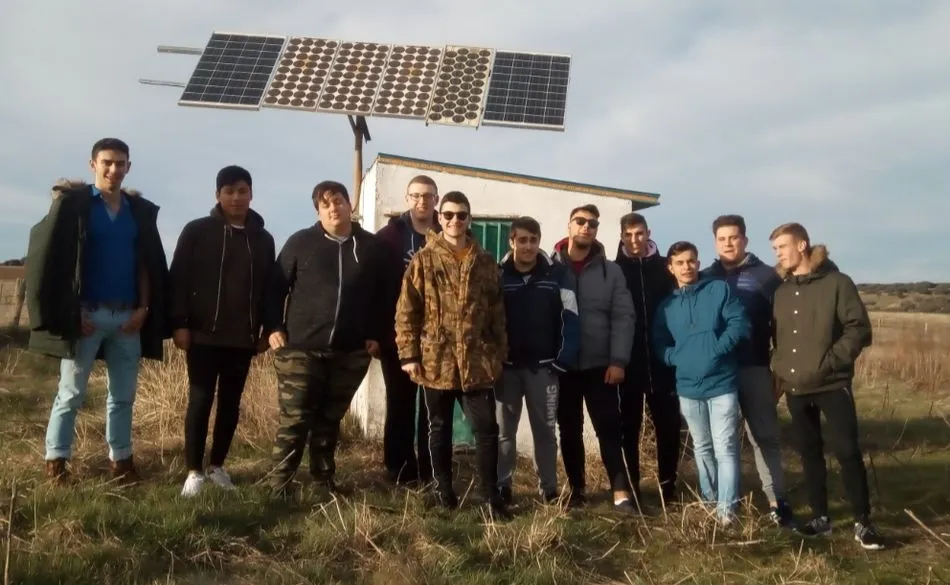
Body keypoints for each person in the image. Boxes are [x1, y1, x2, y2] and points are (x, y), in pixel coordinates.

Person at [26, 137, 170, 485]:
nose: (113, 169)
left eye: (120, 163)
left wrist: (144, 308)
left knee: (122, 397)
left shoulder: (137, 211)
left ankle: (121, 463)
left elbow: (146, 264)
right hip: (86, 318)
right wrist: (71, 311)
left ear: (128, 167)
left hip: (127, 319)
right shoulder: (76, 206)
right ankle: (56, 464)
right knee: (71, 394)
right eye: (107, 162)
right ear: (93, 165)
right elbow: (58, 262)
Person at [263, 181, 386, 496]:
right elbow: (275, 287)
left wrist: (375, 334)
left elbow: (384, 296)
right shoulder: (301, 243)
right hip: (300, 349)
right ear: (318, 210)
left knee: (330, 420)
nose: (334, 209)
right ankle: (279, 485)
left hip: (350, 351)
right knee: (295, 419)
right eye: (325, 204)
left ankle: (323, 482)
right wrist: (274, 327)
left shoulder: (371, 248)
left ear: (350, 204)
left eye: (339, 201)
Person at [394, 191, 511, 519]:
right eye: (448, 215)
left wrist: (499, 353)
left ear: (469, 219)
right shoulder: (424, 260)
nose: (454, 220)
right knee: (439, 427)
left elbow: (497, 313)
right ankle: (443, 491)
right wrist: (408, 355)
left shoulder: (485, 262)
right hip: (437, 361)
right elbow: (407, 311)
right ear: (439, 218)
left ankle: (489, 497)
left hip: (477, 362)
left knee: (486, 429)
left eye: (461, 215)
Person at [769, 222, 884, 550]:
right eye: (775, 249)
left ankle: (863, 522)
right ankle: (821, 518)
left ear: (801, 245)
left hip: (832, 384)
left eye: (782, 247)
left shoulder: (837, 283)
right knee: (809, 454)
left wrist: (832, 361)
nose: (778, 254)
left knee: (847, 452)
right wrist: (780, 369)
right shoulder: (781, 291)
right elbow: (777, 337)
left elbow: (858, 328)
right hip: (796, 387)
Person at [169, 165, 276, 497]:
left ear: (251, 194)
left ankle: (217, 467)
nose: (236, 197)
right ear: (218, 195)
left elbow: (270, 290)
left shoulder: (263, 239)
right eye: (229, 191)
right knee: (200, 399)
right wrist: (179, 323)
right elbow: (179, 279)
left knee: (231, 404)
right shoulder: (197, 231)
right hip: (202, 334)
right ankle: (193, 472)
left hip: (242, 338)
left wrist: (266, 330)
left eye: (242, 191)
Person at [700, 214, 795, 527]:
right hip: (717, 371)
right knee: (720, 441)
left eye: (734, 237)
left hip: (755, 367)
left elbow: (783, 325)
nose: (728, 243)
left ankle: (777, 502)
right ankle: (725, 504)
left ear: (745, 240)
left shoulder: (767, 277)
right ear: (715, 242)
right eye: (722, 238)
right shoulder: (705, 277)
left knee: (764, 436)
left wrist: (780, 367)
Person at [652, 241, 749, 525]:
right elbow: (659, 341)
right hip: (688, 387)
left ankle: (727, 511)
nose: (687, 267)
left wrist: (717, 350)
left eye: (691, 261)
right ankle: (709, 501)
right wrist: (675, 358)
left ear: (698, 262)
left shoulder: (718, 290)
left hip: (721, 383)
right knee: (702, 446)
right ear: (671, 268)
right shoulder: (667, 306)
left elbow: (738, 323)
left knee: (725, 446)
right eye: (680, 263)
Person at [551, 204, 637, 511]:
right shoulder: (550, 268)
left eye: (593, 223)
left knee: (609, 428)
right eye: (581, 221)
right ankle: (577, 491)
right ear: (569, 225)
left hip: (601, 366)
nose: (587, 227)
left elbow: (624, 317)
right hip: (562, 365)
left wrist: (618, 360)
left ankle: (621, 491)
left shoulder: (610, 271)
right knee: (569, 429)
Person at [496, 216, 579, 505]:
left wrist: (562, 360)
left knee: (545, 431)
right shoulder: (498, 275)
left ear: (539, 241)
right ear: (512, 241)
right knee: (503, 432)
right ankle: (502, 486)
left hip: (544, 370)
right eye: (522, 240)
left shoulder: (557, 275)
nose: (528, 246)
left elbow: (571, 318)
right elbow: (487, 319)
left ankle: (549, 489)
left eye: (533, 240)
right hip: (506, 370)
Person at [374, 175, 439, 486]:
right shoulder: (389, 237)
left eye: (427, 195)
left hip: (437, 340)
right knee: (399, 404)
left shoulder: (448, 232)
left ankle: (430, 469)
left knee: (431, 409)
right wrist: (375, 333)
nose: (422, 201)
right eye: (416, 195)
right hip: (397, 338)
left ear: (436, 199)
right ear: (407, 198)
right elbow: (375, 288)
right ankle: (399, 469)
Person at [614, 212, 680, 506]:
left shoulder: (666, 268)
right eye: (628, 235)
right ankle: (633, 489)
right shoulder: (615, 270)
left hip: (663, 361)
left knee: (668, 427)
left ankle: (668, 488)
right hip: (628, 362)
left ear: (648, 233)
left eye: (639, 233)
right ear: (621, 236)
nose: (634, 240)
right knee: (628, 429)